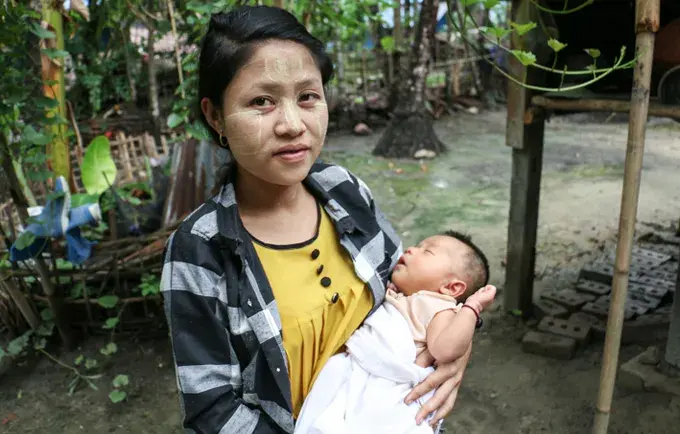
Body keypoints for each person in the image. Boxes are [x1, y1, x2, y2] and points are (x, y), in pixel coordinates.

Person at [161, 6, 475, 434]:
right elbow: (212, 410)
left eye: (307, 96)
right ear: (216, 116)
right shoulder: (200, 250)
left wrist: (458, 347)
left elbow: (417, 289)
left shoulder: (344, 190)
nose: (293, 125)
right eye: (261, 101)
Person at [294, 232, 495, 434]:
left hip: (389, 386)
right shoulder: (398, 294)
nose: (411, 249)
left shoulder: (438, 307)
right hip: (357, 373)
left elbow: (445, 350)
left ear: (451, 288)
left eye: (427, 251)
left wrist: (472, 308)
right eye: (417, 245)